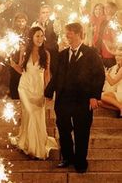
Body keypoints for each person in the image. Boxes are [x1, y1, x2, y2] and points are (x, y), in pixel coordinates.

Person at [45, 22, 105, 173]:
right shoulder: (63, 54)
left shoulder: (91, 53)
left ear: (78, 34)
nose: (67, 36)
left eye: (69, 33)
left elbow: (99, 76)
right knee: (64, 130)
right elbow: (57, 76)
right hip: (64, 99)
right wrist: (48, 92)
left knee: (81, 131)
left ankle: (80, 161)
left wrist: (94, 96)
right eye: (66, 33)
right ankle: (67, 157)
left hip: (83, 100)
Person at [10, 27, 58, 159]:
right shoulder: (25, 52)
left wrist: (48, 91)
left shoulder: (46, 54)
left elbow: (47, 73)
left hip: (38, 88)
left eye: (42, 36)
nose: (40, 39)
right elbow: (22, 69)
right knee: (29, 114)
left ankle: (33, 142)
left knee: (37, 116)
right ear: (32, 37)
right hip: (25, 87)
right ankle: (31, 148)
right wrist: (13, 65)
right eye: (37, 36)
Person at [32, 4, 59, 76]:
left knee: (52, 73)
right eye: (43, 12)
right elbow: (32, 36)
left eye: (47, 12)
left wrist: (56, 18)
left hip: (52, 52)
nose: (45, 14)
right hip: (41, 51)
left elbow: (58, 31)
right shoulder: (35, 24)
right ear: (39, 14)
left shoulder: (54, 22)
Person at [9, 12, 29, 99]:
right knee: (14, 80)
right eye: (19, 21)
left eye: (23, 21)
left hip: (26, 59)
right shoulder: (12, 31)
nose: (21, 23)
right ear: (15, 22)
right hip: (14, 58)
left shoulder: (29, 31)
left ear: (26, 21)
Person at [101, 48, 122, 118]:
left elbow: (112, 82)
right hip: (118, 93)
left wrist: (106, 73)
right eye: (116, 55)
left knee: (100, 96)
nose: (117, 57)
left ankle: (120, 107)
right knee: (98, 102)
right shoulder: (117, 67)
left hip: (120, 94)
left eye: (120, 55)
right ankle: (119, 108)